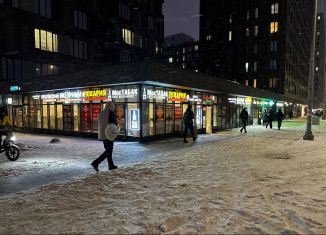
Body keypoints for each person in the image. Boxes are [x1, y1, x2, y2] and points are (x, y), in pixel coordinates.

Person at [91, 102, 118, 172]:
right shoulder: (110, 113)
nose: (114, 108)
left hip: (102, 134)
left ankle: (111, 165)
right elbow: (114, 123)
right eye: (113, 106)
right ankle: (95, 163)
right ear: (111, 107)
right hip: (108, 134)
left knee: (108, 150)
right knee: (109, 151)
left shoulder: (101, 113)